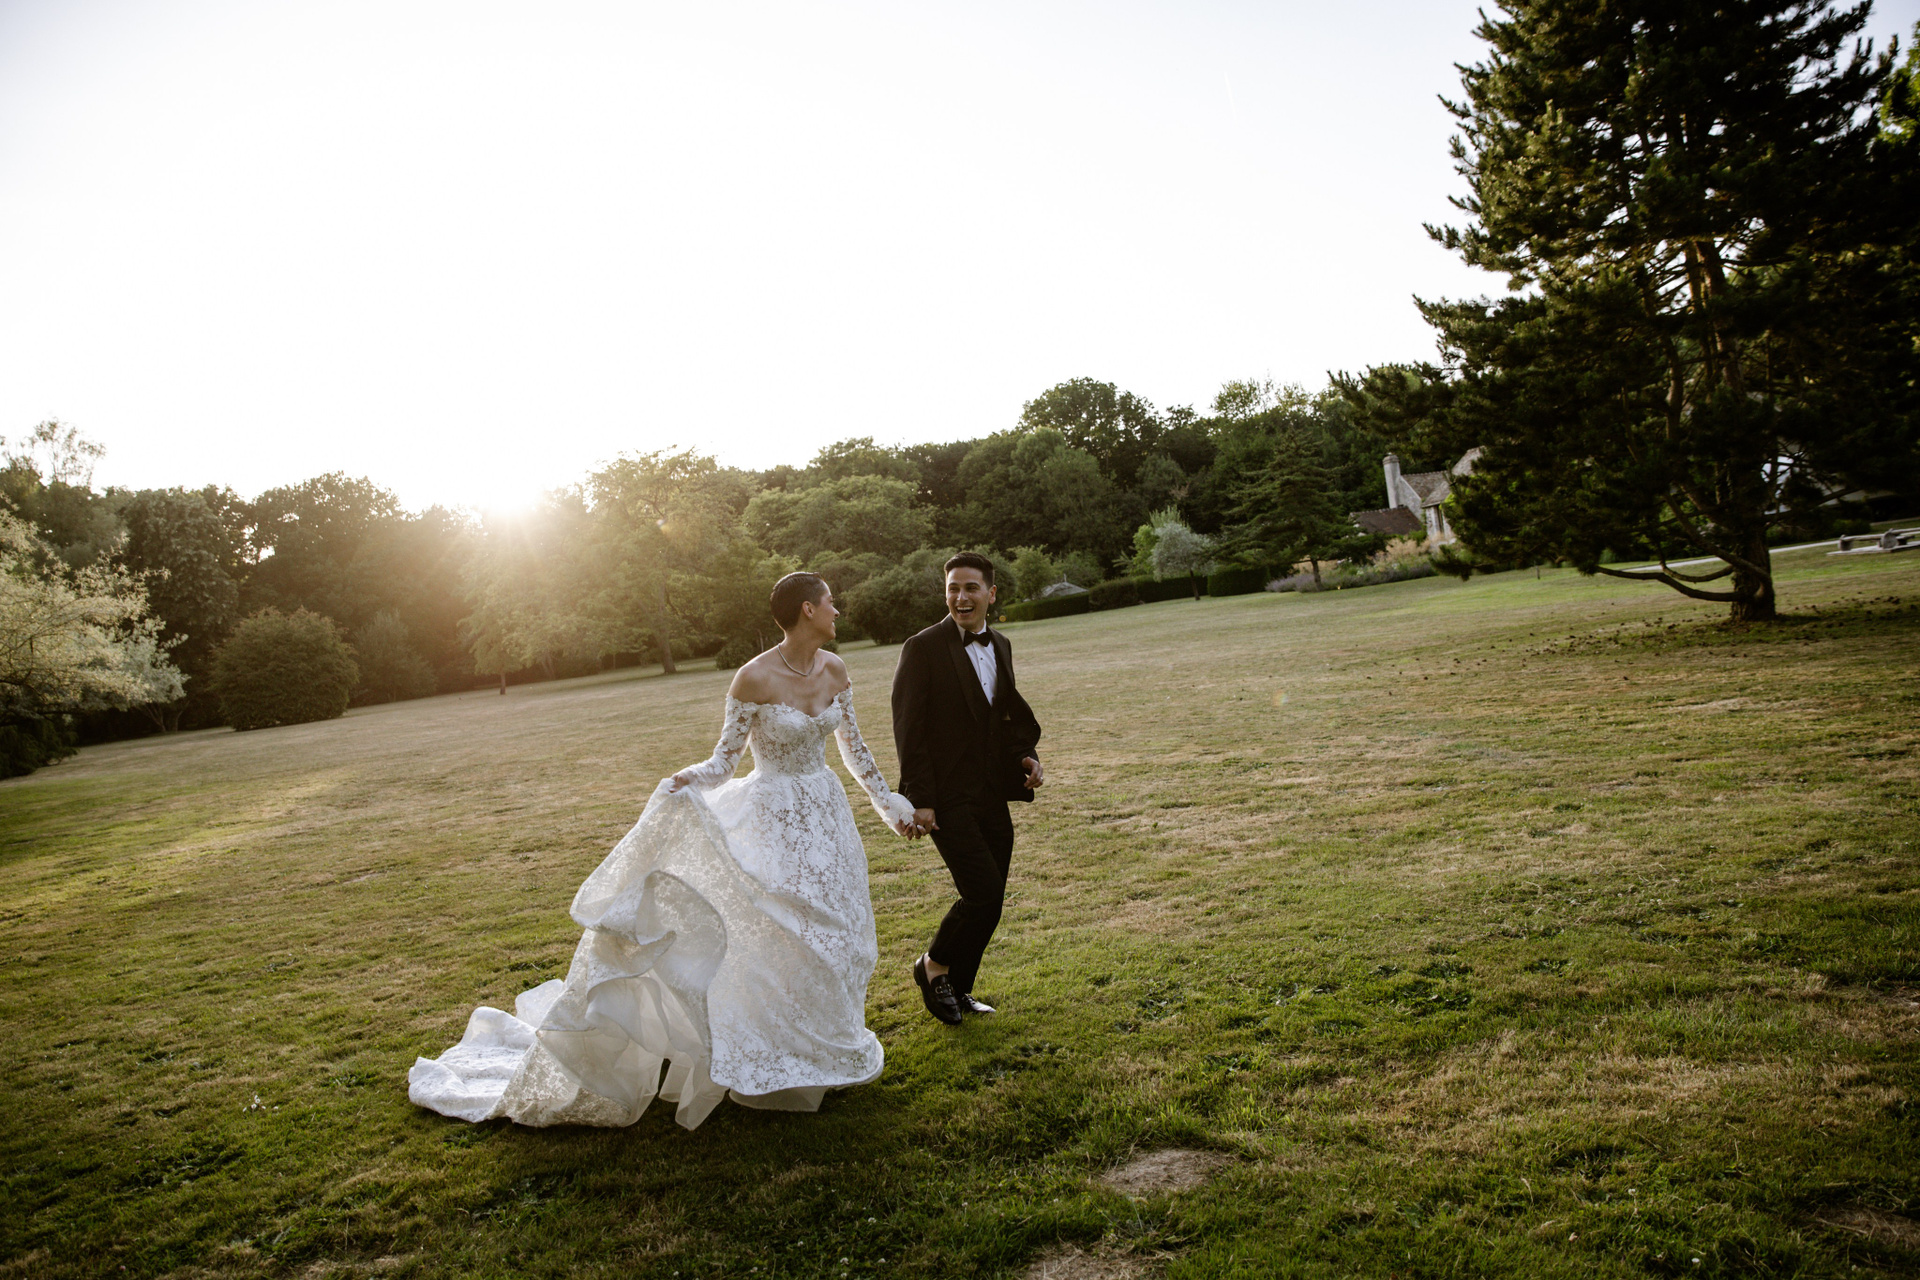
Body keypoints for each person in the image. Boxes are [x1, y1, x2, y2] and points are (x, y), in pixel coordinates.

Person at [408, 573, 917, 1129]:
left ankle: (823, 1046)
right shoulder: (753, 677)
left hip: (825, 817)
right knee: (783, 932)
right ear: (807, 610)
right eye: (830, 602)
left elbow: (856, 751)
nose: (837, 610)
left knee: (837, 934)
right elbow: (723, 762)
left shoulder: (835, 669)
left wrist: (893, 807)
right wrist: (683, 781)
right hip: (770, 819)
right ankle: (778, 1053)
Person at [890, 552, 1044, 1026]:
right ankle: (933, 965)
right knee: (981, 892)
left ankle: (959, 987)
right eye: (953, 588)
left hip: (990, 791)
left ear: (990, 594)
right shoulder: (922, 648)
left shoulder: (1001, 644)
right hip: (945, 796)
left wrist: (1025, 755)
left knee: (992, 898)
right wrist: (922, 800)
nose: (961, 597)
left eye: (971, 587)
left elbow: (1003, 715)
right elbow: (909, 729)